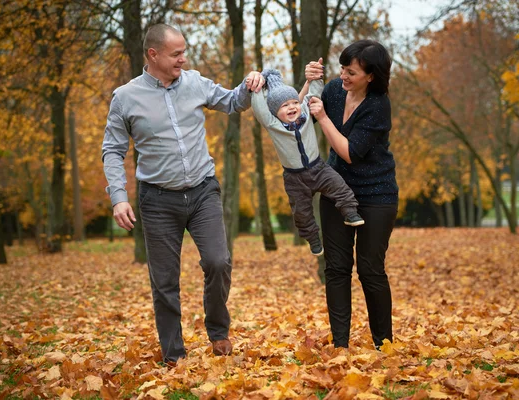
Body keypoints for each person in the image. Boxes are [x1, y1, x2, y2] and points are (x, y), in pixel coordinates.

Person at [101, 24, 265, 363]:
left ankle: (218, 331)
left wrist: (250, 83)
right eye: (176, 54)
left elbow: (234, 101)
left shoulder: (194, 82)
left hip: (203, 191)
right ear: (153, 54)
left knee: (219, 262)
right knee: (164, 281)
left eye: (183, 52)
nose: (183, 59)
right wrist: (118, 196)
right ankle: (174, 355)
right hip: (158, 200)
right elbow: (112, 150)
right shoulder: (126, 97)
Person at [304, 40, 399, 349]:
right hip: (336, 190)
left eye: (352, 72)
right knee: (336, 268)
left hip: (376, 195)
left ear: (371, 76)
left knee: (370, 270)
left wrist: (324, 119)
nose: (343, 76)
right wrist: (307, 84)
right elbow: (295, 113)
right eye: (342, 69)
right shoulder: (333, 90)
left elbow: (348, 152)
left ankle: (383, 345)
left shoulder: (377, 105)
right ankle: (340, 344)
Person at [251, 67, 364, 256]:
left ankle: (350, 213)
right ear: (274, 112)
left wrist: (316, 76)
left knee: (340, 187)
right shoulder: (272, 124)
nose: (292, 107)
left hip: (318, 168)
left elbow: (314, 93)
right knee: (301, 213)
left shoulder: (305, 114)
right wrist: (256, 87)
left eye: (294, 102)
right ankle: (312, 238)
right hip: (294, 178)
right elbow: (259, 107)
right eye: (285, 105)